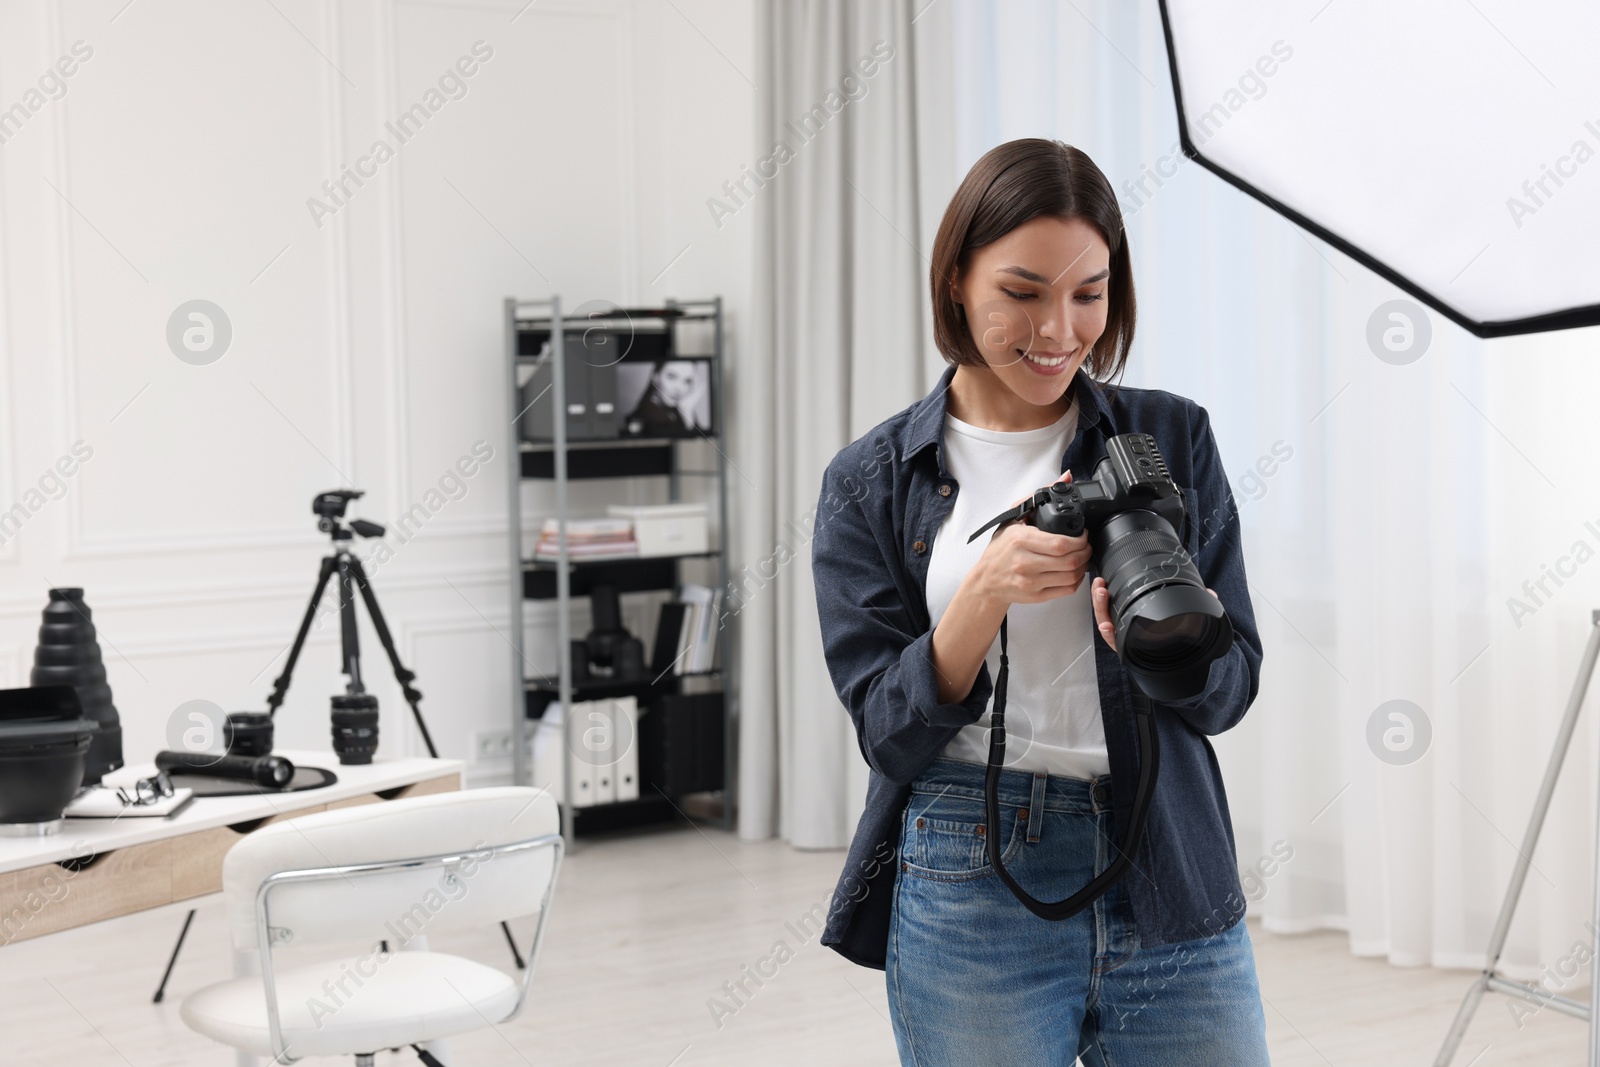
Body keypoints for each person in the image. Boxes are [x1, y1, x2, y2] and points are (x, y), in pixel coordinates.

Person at [810, 137, 1271, 1065]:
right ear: (957, 283)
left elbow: (1230, 690)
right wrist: (980, 595)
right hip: (969, 868)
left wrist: (1168, 644)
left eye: (1088, 294)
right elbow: (887, 732)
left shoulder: (1170, 434)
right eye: (1022, 293)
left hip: (1166, 849)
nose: (1059, 329)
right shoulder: (868, 479)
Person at [625, 359, 707, 435]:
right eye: (671, 377)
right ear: (656, 376)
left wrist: (687, 411)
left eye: (687, 381)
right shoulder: (643, 418)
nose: (679, 388)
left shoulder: (681, 410)